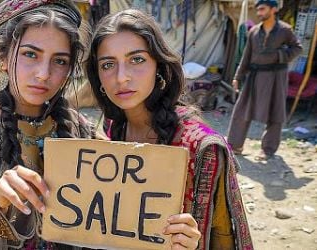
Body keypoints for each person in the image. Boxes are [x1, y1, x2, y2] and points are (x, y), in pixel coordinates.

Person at [0, 1, 199, 249]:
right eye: (30, 54)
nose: (43, 73)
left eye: (60, 61)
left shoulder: (80, 131)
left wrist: (174, 234)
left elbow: (121, 227)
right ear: (2, 58)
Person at [86, 9, 253, 250]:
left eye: (137, 59)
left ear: (159, 66)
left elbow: (226, 239)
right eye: (108, 64)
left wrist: (191, 243)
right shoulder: (113, 128)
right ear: (98, 76)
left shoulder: (202, 148)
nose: (121, 77)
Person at [228, 0, 302, 160]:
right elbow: (246, 56)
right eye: (258, 10)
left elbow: (297, 48)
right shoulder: (254, 31)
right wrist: (237, 77)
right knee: (241, 109)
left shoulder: (284, 30)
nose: (259, 13)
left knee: (275, 112)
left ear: (273, 9)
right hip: (254, 76)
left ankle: (267, 149)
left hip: (276, 76)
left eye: (263, 9)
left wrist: (279, 56)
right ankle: (235, 146)